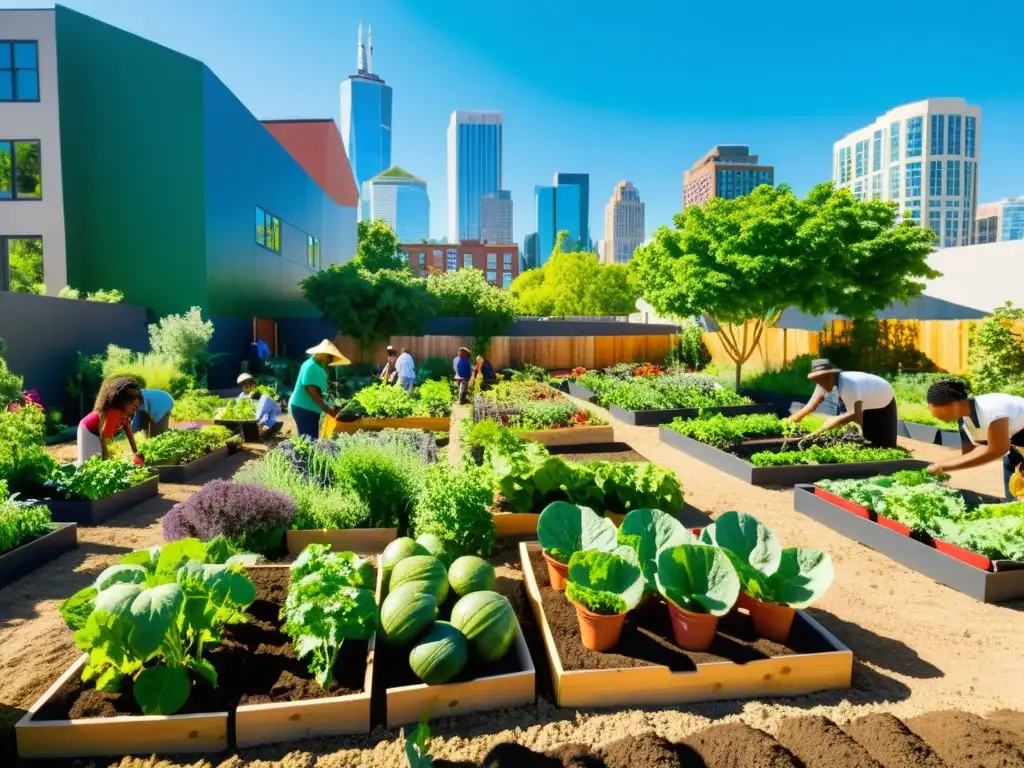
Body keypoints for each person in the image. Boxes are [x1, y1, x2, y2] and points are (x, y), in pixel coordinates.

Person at [923, 379, 1024, 500]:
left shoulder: (990, 410)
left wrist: (944, 466)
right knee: (1014, 490)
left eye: (935, 409)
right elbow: (976, 451)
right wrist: (940, 466)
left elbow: (998, 449)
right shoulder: (965, 419)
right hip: (1018, 446)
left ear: (954, 404)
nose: (933, 415)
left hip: (1018, 441)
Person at [788, 358, 898, 448]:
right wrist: (787, 423)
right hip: (863, 399)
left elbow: (856, 415)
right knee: (858, 439)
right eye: (818, 381)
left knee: (884, 445)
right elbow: (809, 407)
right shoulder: (823, 383)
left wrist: (823, 428)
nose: (821, 384)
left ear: (831, 375)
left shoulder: (849, 384)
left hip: (882, 398)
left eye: (823, 380)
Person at [289, 339, 348, 440]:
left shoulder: (316, 366)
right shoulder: (311, 367)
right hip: (304, 409)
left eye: (330, 357)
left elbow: (321, 391)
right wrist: (332, 412)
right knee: (308, 440)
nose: (329, 359)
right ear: (320, 353)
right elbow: (315, 396)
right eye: (328, 356)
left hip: (309, 409)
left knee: (308, 439)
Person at [77, 376, 143, 466]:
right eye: (133, 404)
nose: (136, 407)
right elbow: (106, 438)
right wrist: (111, 462)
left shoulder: (125, 414)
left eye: (137, 404)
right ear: (123, 402)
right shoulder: (114, 412)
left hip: (98, 433)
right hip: (89, 430)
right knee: (88, 464)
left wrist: (136, 453)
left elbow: (129, 433)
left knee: (100, 463)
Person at [237, 373, 283, 438]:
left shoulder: (259, 394)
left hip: (261, 420)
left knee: (269, 417)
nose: (249, 386)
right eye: (246, 385)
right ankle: (262, 431)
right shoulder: (241, 397)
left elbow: (266, 409)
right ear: (242, 386)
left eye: (251, 383)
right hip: (249, 421)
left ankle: (270, 427)